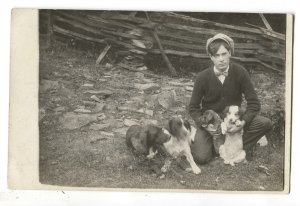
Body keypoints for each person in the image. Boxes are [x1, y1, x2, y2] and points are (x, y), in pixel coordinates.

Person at [188, 33, 272, 164]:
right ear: (211, 57)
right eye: (217, 55)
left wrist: (242, 123)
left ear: (230, 53)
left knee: (265, 123)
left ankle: (236, 148)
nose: (221, 59)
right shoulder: (202, 77)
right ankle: (217, 147)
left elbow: (254, 103)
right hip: (212, 124)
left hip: (235, 122)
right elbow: (193, 107)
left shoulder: (240, 72)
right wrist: (205, 124)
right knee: (201, 157)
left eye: (224, 54)